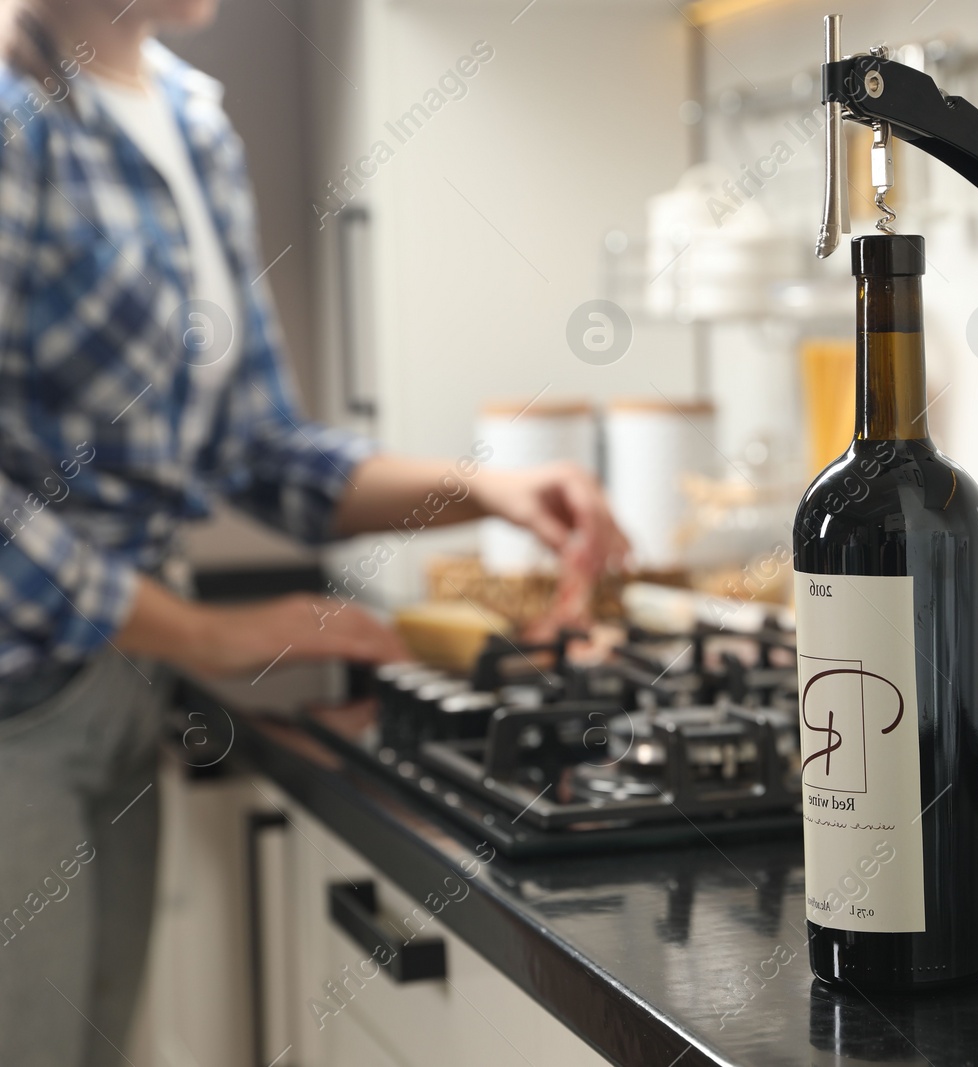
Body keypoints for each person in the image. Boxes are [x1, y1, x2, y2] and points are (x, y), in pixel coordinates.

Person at [0, 1, 628, 1063]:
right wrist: (202, 633)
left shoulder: (195, 124)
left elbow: (261, 448)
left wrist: (491, 490)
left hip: (119, 677)